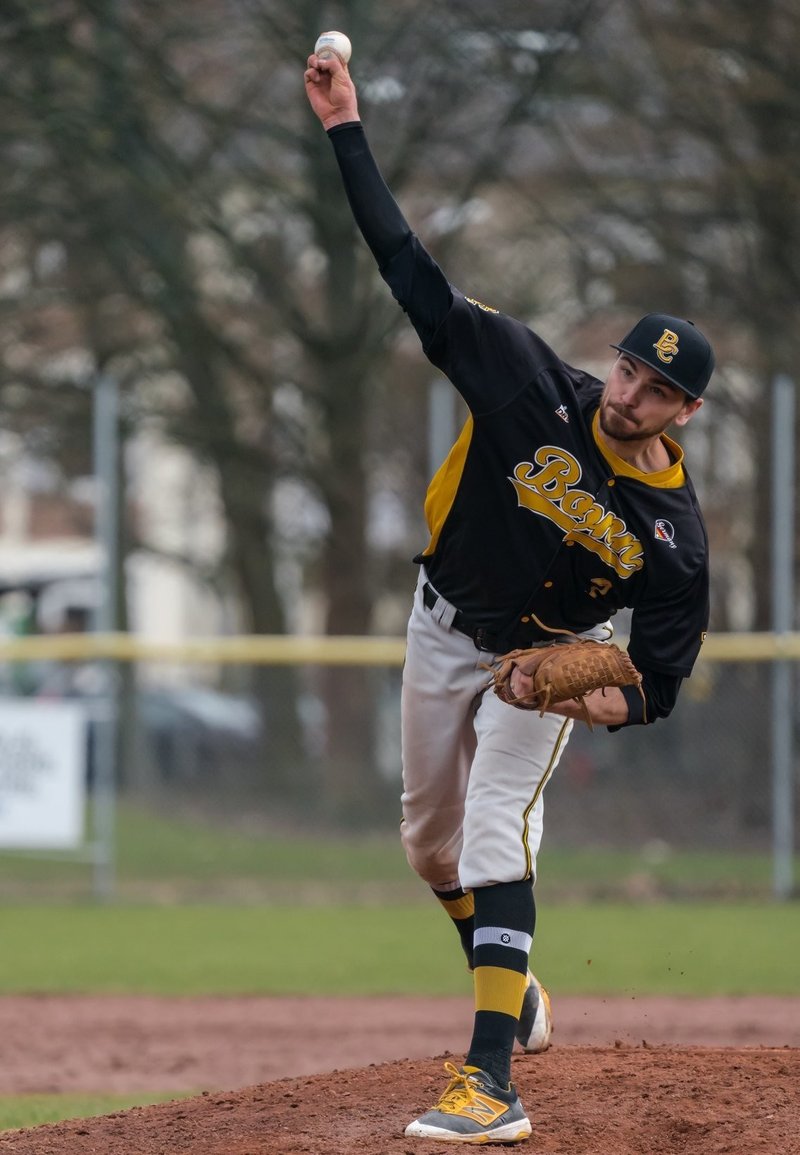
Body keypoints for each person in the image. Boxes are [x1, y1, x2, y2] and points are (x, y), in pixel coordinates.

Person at [304, 49, 713, 1145]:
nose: (632, 393)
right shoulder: (526, 381)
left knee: (495, 833)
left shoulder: (672, 539)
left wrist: (599, 700)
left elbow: (659, 681)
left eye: (660, 389)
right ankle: (511, 986)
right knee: (428, 847)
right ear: (613, 361)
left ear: (683, 414)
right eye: (630, 368)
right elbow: (406, 265)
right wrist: (347, 128)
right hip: (440, 624)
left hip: (541, 661)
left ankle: (490, 1082)